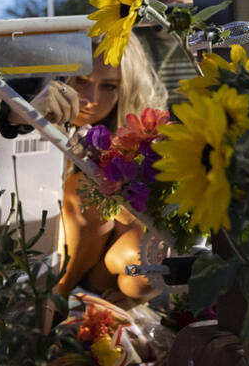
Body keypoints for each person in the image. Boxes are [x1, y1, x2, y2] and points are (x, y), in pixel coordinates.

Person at [56, 37, 167, 301]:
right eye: (81, 80)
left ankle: (108, 309)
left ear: (126, 88)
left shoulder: (138, 133)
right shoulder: (31, 109)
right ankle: (51, 302)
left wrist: (134, 300)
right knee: (83, 192)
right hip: (49, 250)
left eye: (109, 86)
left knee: (147, 263)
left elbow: (145, 221)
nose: (91, 100)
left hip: (103, 267)